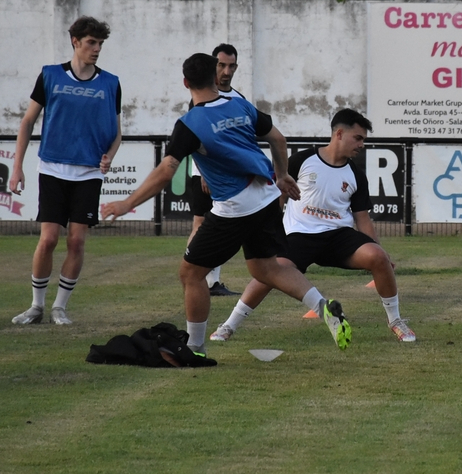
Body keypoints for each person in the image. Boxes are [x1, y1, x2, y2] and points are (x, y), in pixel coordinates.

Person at [101, 53, 351, 358]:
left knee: (190, 273)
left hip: (236, 207)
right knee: (265, 267)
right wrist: (283, 175)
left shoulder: (190, 123)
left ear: (185, 83)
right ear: (215, 76)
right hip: (268, 196)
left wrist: (127, 203)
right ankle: (324, 308)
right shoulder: (239, 105)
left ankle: (194, 349)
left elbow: (167, 170)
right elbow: (278, 139)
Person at [209, 108, 416, 343]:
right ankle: (228, 326)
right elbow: (276, 196)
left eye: (364, 140)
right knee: (269, 272)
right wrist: (270, 232)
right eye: (358, 138)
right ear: (339, 133)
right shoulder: (302, 160)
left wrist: (379, 250)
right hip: (299, 236)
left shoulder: (356, 175)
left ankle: (396, 321)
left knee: (378, 257)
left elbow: (362, 219)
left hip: (339, 237)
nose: (361, 145)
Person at [10, 16, 123, 326]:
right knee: (47, 240)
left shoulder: (110, 83)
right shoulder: (50, 76)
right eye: (91, 43)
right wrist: (17, 167)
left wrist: (110, 155)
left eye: (100, 44)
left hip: (88, 173)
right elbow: (27, 122)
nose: (96, 49)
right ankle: (36, 306)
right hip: (52, 168)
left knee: (76, 241)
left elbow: (117, 132)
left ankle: (60, 307)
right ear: (75, 42)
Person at [187, 43, 244, 297]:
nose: (226, 71)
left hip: (228, 177)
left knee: (222, 227)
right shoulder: (200, 98)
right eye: (221, 65)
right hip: (204, 175)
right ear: (213, 66)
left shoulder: (239, 99)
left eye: (231, 66)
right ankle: (196, 278)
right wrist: (206, 173)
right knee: (200, 224)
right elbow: (193, 137)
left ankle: (212, 282)